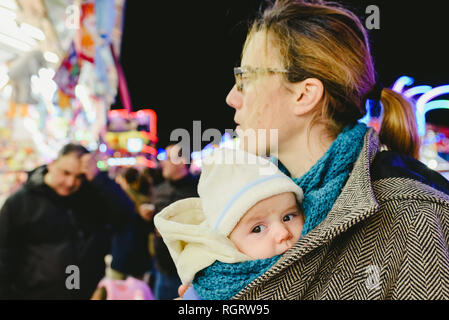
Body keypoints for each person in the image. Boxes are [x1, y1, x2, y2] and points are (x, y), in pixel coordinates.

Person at [223, 0, 449, 299]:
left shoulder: (413, 218)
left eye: (246, 78)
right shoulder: (250, 203)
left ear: (304, 94)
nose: (232, 98)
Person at [155, 148, 304, 300]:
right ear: (226, 243)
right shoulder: (208, 290)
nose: (283, 233)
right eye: (257, 229)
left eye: (288, 217)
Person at [0, 143, 136, 299]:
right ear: (51, 165)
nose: (71, 182)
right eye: (65, 173)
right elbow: (4, 256)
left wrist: (98, 178)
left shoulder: (91, 196)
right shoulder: (20, 203)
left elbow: (126, 216)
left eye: (79, 176)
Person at [151, 144, 200, 300]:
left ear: (181, 161)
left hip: (188, 275)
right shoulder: (159, 189)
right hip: (161, 267)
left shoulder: (199, 189)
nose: (162, 162)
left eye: (167, 158)